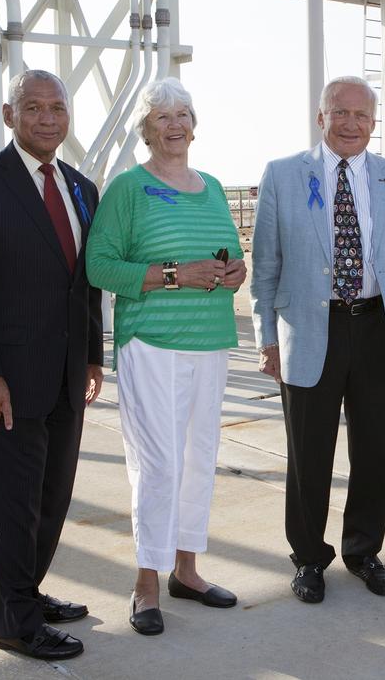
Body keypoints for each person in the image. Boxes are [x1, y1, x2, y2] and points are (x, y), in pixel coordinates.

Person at [0, 70, 103, 661]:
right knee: (12, 507)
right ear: (10, 116)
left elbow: (84, 285)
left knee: (51, 500)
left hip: (64, 376)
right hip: (0, 383)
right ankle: (15, 624)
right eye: (33, 107)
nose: (47, 118)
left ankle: (26, 593)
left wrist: (91, 356)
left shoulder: (81, 188)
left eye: (57, 107)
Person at [250, 75, 385, 604]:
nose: (351, 124)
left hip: (379, 328)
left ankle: (364, 551)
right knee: (309, 453)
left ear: (374, 123)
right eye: (341, 112)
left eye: (362, 116)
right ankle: (309, 557)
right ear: (321, 117)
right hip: (309, 328)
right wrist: (267, 338)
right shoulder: (283, 174)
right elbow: (265, 266)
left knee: (376, 450)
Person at [85, 77, 246, 635]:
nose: (175, 125)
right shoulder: (128, 188)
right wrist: (175, 275)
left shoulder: (214, 187)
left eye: (183, 115)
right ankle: (145, 583)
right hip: (152, 344)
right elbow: (99, 266)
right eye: (162, 117)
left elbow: (232, 255)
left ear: (194, 127)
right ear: (146, 130)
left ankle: (187, 571)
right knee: (157, 464)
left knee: (199, 459)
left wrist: (234, 271)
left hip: (211, 340)